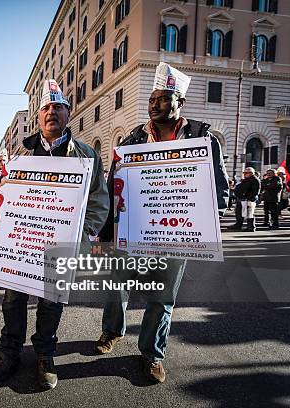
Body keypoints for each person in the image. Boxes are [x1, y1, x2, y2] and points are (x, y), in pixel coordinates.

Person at [96, 63, 229, 384]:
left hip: (175, 233)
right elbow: (112, 186)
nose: (155, 105)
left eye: (163, 99)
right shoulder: (131, 140)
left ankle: (152, 353)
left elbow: (219, 188)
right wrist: (105, 233)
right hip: (131, 231)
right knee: (117, 287)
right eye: (152, 99)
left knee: (162, 296)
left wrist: (203, 223)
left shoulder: (203, 139)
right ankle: (111, 331)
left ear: (179, 101)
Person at [0, 79, 109, 390]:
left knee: (51, 302)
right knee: (13, 300)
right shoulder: (21, 157)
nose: (51, 112)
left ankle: (44, 356)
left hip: (60, 245)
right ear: (37, 117)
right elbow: (5, 199)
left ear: (68, 113)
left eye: (57, 107)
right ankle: (9, 352)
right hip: (22, 245)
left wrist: (83, 233)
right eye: (46, 108)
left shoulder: (86, 156)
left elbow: (99, 199)